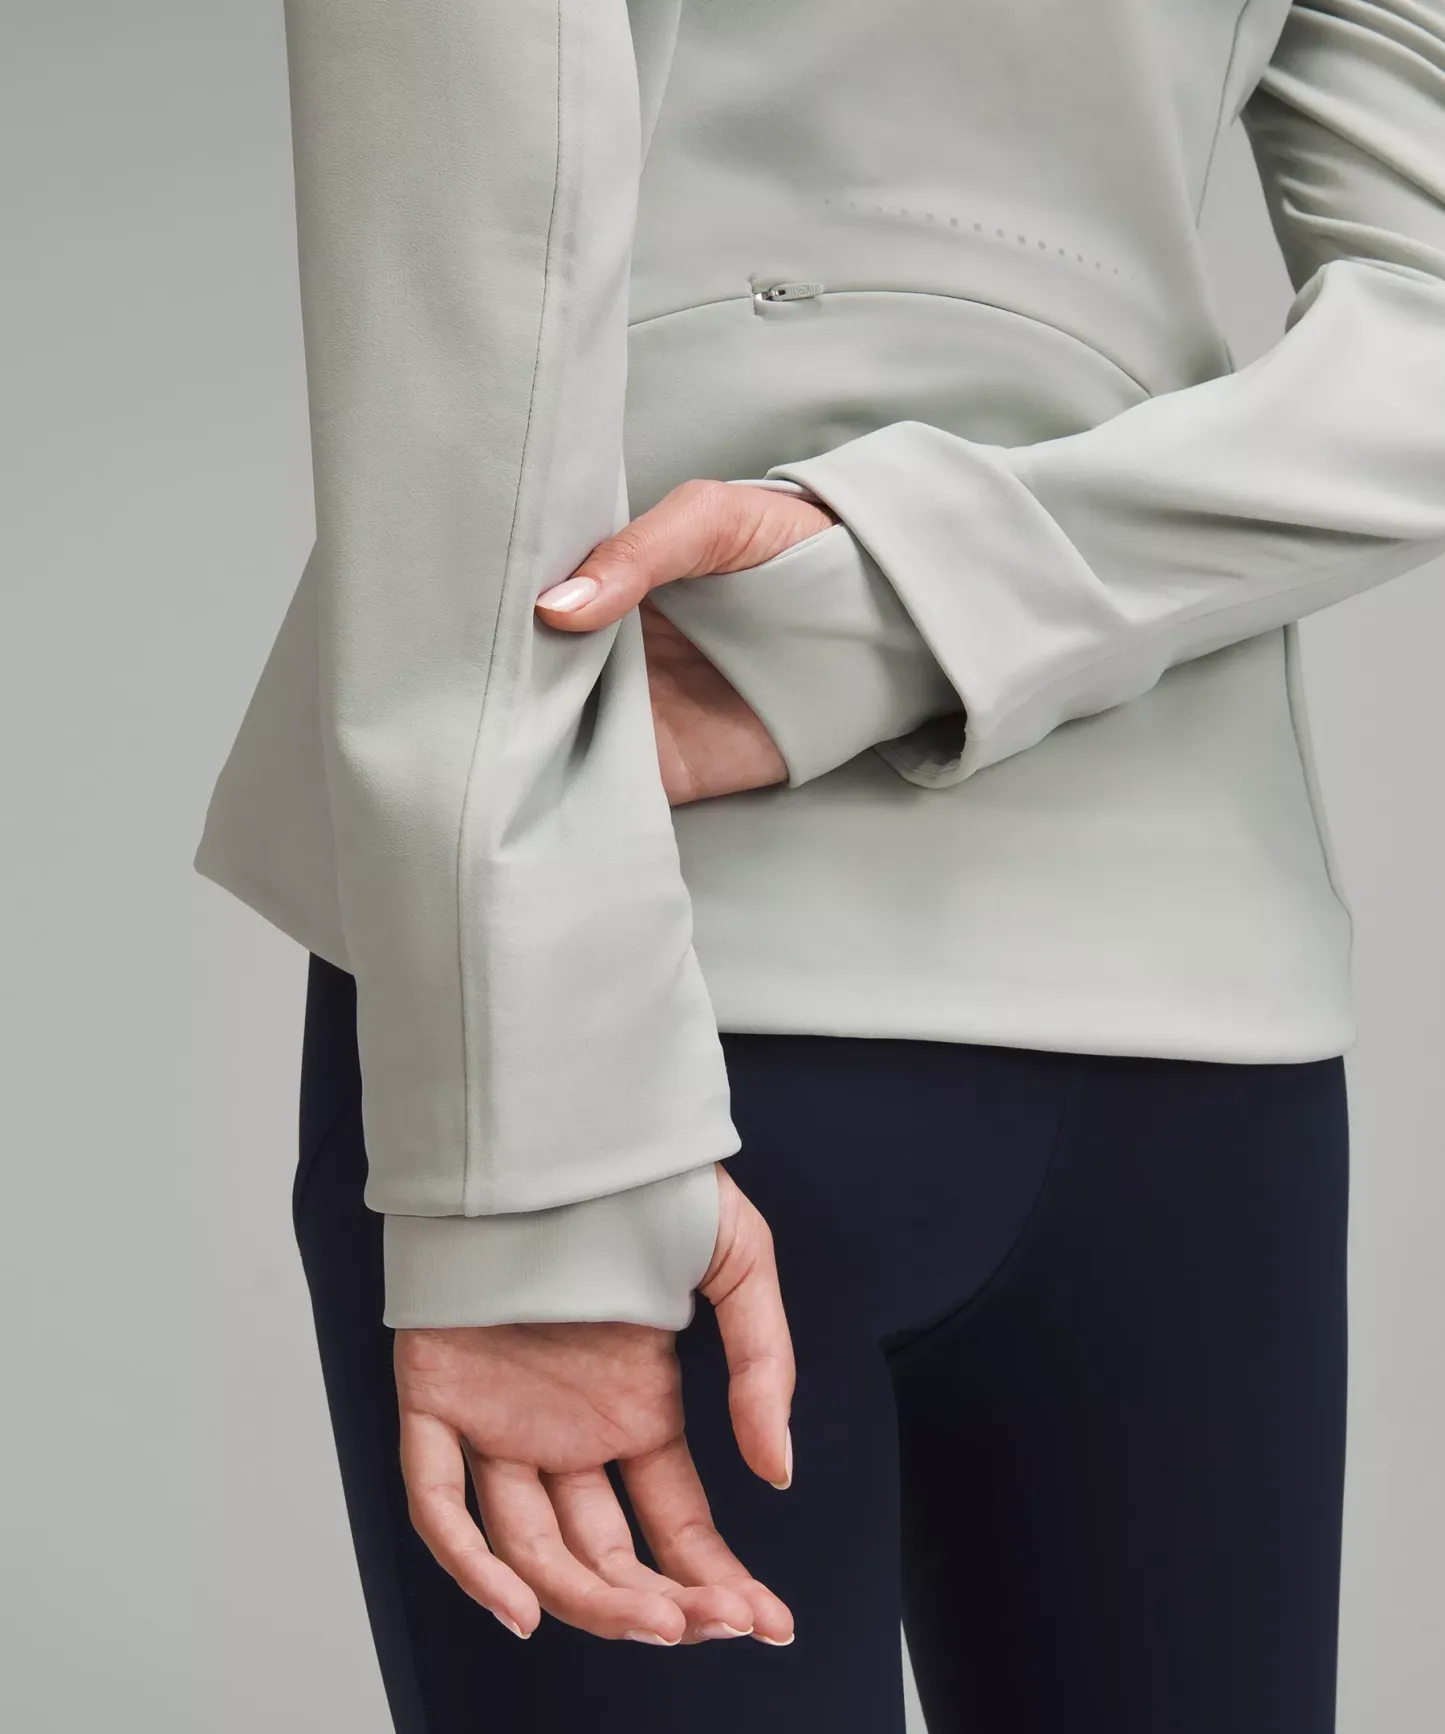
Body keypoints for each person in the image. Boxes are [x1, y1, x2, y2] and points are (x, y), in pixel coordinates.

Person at [193, 2, 1445, 1729]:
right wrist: (934, 589)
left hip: (616, 974)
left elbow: (464, 286)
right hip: (1179, 1021)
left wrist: (520, 1171)